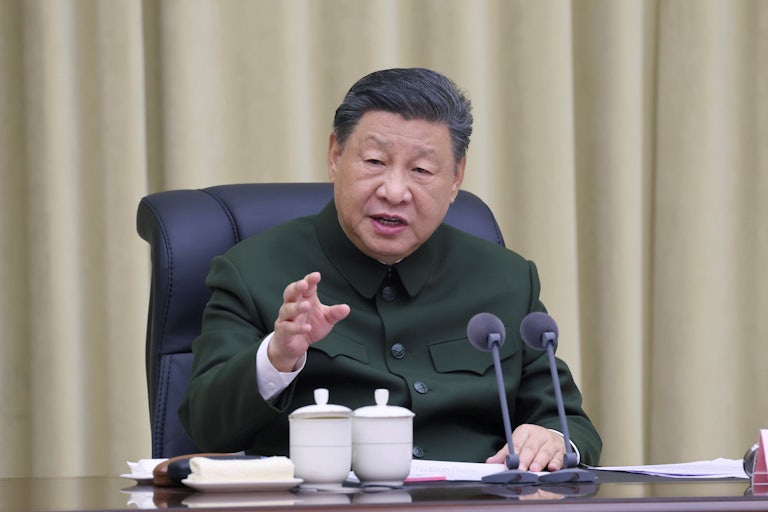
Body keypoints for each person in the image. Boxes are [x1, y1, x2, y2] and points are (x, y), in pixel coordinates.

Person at [179, 67, 601, 471]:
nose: (394, 191)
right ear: (335, 156)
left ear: (456, 178)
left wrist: (553, 439)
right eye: (375, 162)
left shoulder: (507, 279)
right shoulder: (252, 270)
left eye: (421, 170)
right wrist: (278, 356)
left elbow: (572, 425)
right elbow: (206, 427)